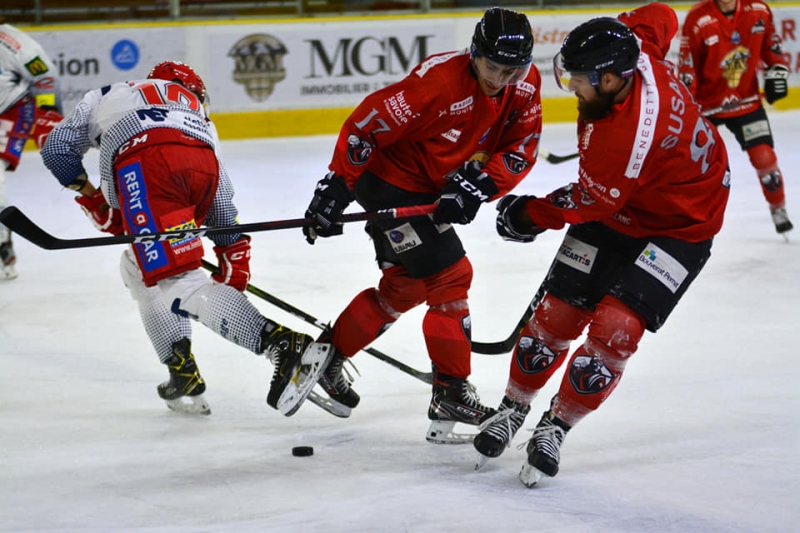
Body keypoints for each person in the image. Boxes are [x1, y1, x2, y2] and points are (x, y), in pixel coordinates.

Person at [472, 3, 731, 487]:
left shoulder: (623, 140)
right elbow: (660, 13)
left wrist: (526, 216)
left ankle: (556, 426)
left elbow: (590, 200)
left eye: (579, 80)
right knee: (556, 316)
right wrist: (619, 27)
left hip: (682, 226)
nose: (572, 87)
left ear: (611, 80)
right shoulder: (636, 49)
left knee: (616, 329)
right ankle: (512, 408)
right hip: (629, 199)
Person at [299, 7, 543, 441]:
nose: (501, 79)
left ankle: (326, 356)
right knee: (451, 276)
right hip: (389, 185)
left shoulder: (523, 86)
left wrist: (479, 186)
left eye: (513, 71)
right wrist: (337, 186)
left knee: (406, 286)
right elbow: (366, 125)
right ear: (475, 53)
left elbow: (521, 148)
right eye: (493, 67)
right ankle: (450, 391)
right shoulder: (440, 84)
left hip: (429, 188)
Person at [40, 60, 327, 416]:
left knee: (180, 282)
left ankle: (281, 343)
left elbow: (55, 149)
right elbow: (219, 194)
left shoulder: (107, 94)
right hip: (193, 166)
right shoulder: (198, 115)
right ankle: (181, 369)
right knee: (136, 267)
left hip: (144, 163)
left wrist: (91, 194)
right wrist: (233, 252)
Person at [679, 0, 793, 236]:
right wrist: (689, 108)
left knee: (764, 156)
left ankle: (778, 208)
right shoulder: (698, 19)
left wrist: (777, 72)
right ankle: (686, 216)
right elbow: (688, 69)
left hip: (745, 101)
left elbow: (772, 49)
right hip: (705, 107)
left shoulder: (759, 11)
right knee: (690, 165)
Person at [0, 23, 64, 280]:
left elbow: (45, 76)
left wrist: (49, 116)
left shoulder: (12, 42)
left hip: (10, 111)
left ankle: (3, 243)